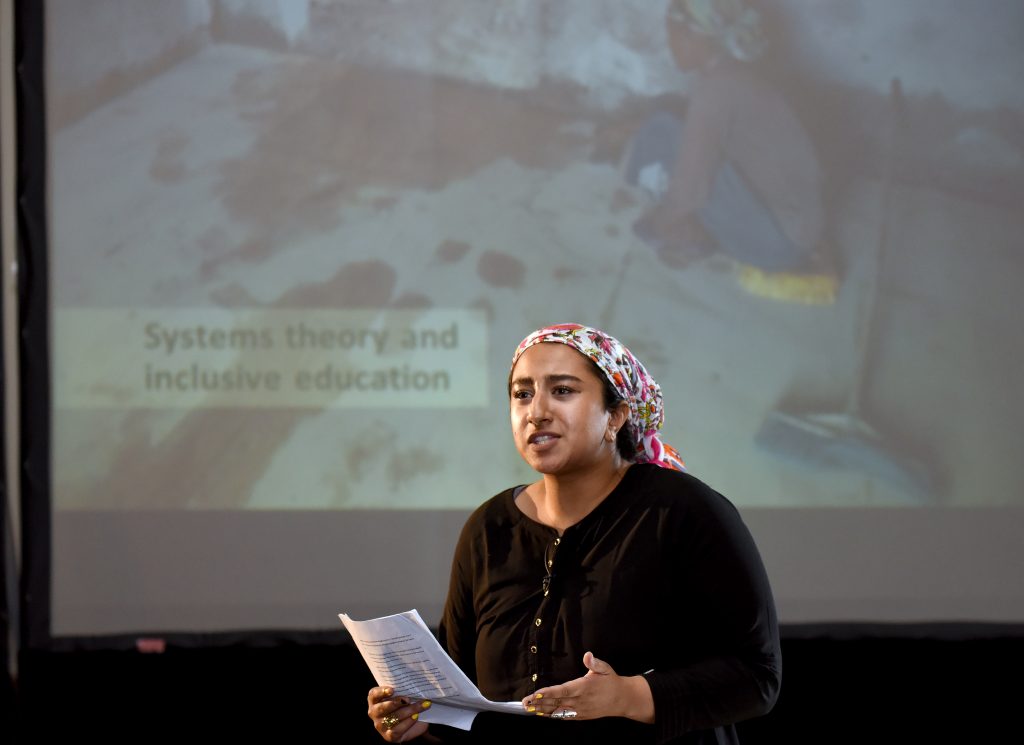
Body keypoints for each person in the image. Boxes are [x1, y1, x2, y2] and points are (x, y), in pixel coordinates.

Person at [367, 322, 781, 743]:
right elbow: (462, 703)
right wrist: (419, 720)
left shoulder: (685, 512)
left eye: (562, 391)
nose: (536, 411)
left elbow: (757, 678)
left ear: (615, 416)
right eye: (522, 394)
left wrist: (628, 696)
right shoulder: (487, 529)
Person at [627, 0, 837, 304]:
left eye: (672, 33)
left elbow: (692, 189)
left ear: (695, 37)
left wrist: (660, 222)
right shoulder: (739, 72)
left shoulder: (715, 92)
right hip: (803, 226)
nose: (668, 43)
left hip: (777, 245)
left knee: (665, 134)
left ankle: (693, 232)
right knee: (672, 122)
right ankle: (697, 223)